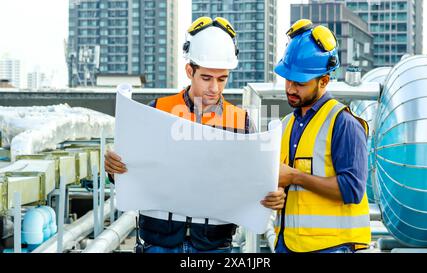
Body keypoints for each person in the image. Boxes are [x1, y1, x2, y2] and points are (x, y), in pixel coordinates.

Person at [105, 16, 286, 253]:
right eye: (207, 78)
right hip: (159, 241)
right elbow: (130, 170)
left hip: (213, 244)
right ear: (190, 70)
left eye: (222, 79)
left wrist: (273, 194)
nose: (214, 88)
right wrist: (112, 168)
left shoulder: (241, 122)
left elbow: (252, 180)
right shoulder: (156, 111)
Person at [273, 19, 371, 253]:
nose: (290, 88)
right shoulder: (286, 125)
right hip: (288, 244)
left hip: (331, 247)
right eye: (288, 79)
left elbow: (352, 189)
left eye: (300, 82)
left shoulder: (343, 123)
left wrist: (295, 177)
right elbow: (284, 183)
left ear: (324, 81)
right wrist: (274, 195)